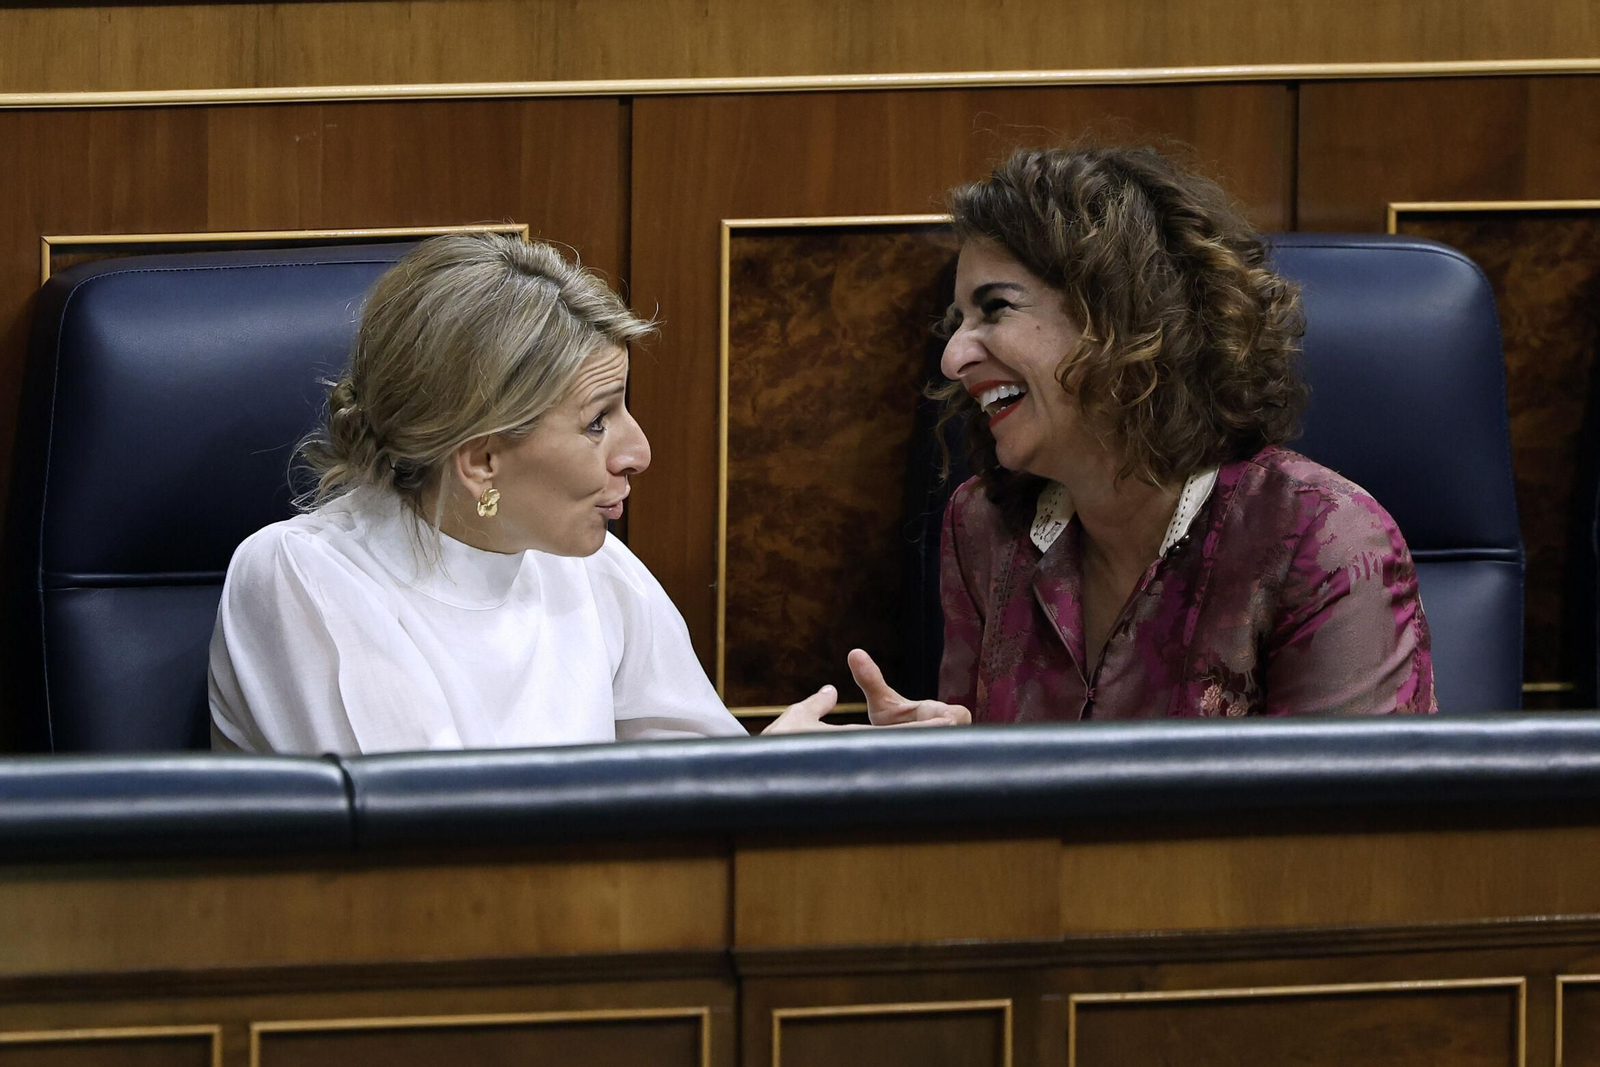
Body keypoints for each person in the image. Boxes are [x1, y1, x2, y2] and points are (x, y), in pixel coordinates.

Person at [209, 234, 968, 755]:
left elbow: (696, 795)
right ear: (480, 460)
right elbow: (431, 859)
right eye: (597, 421)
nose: (638, 452)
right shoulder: (299, 578)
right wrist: (745, 785)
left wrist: (825, 779)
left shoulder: (587, 562)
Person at [932, 145, 1436, 720]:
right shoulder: (983, 525)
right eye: (958, 322)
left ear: (1124, 318)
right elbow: (974, 750)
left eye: (995, 308)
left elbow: (1342, 782)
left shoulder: (1323, 540)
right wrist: (931, 758)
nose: (953, 358)